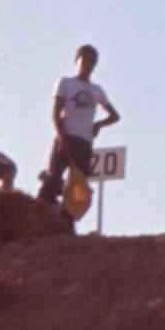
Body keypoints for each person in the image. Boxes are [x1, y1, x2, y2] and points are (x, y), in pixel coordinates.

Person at [37, 44, 119, 214]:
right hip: (66, 137)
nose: (88, 65)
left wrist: (98, 125)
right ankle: (40, 213)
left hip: (84, 143)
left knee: (78, 189)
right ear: (77, 61)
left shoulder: (97, 90)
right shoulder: (66, 83)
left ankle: (66, 221)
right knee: (52, 180)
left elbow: (115, 116)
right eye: (85, 60)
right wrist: (61, 137)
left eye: (91, 62)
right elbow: (55, 114)